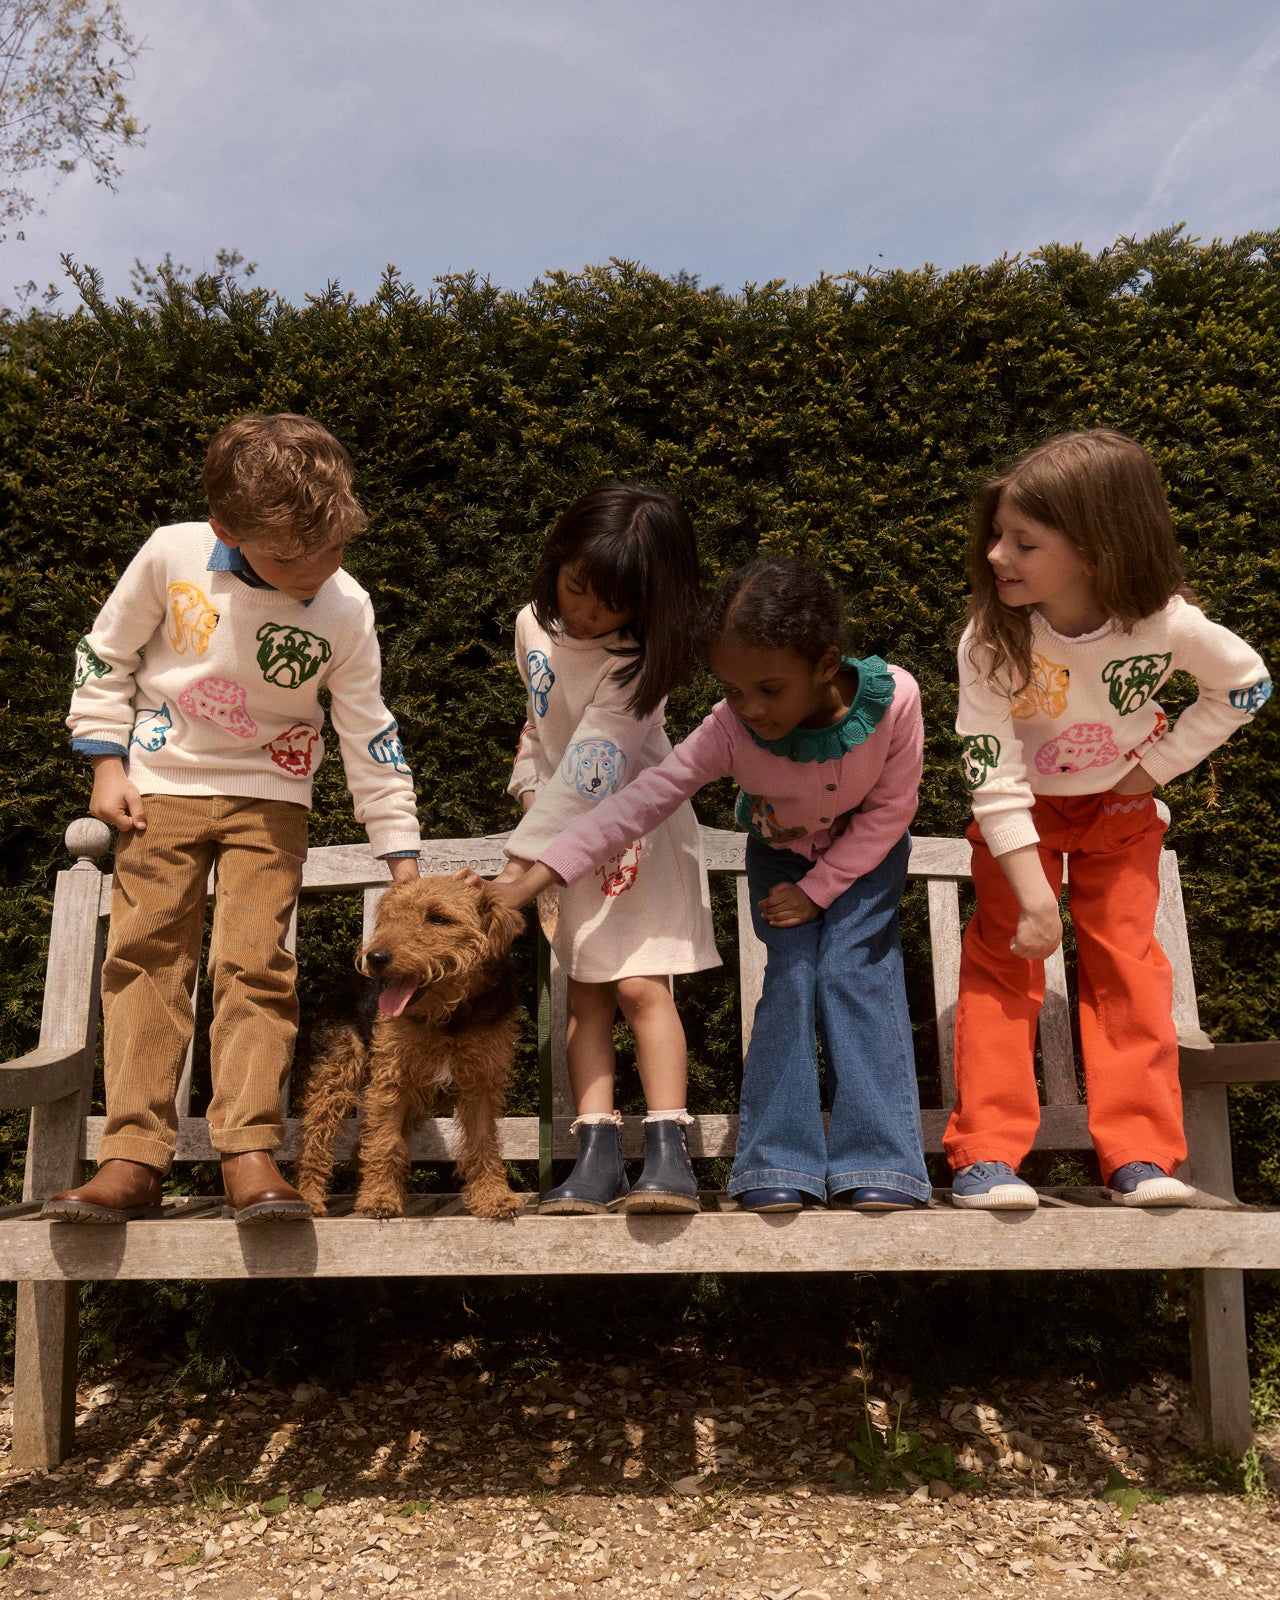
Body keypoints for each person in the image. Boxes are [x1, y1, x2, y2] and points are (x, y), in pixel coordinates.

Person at [45, 414, 423, 1226]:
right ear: (227, 531)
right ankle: (131, 1157)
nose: (315, 572)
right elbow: (104, 655)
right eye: (290, 559)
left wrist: (401, 855)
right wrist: (106, 764)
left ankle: (249, 1151)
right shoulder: (170, 554)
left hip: (272, 800)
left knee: (257, 965)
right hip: (158, 791)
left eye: (333, 549)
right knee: (146, 960)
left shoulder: (347, 608)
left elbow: (369, 732)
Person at [489, 556, 931, 1213]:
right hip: (782, 857)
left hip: (867, 857)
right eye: (732, 688)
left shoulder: (896, 700)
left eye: (769, 689)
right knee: (790, 980)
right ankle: (778, 1160)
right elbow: (635, 804)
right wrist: (532, 877)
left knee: (851, 972)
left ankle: (883, 1162)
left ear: (824, 664)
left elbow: (892, 812)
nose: (751, 708)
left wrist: (821, 888)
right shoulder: (728, 727)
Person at [945, 428, 1270, 1210]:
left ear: (1097, 551)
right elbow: (991, 770)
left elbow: (1247, 685)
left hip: (1119, 814)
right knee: (1004, 966)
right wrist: (1033, 899)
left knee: (1127, 967)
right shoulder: (992, 636)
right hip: (1020, 816)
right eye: (997, 534)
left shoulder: (1168, 626)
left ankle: (1140, 1158)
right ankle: (985, 1156)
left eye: (1024, 542)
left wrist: (1148, 772)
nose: (996, 554)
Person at [489, 484, 721, 1216]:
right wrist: (527, 789)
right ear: (556, 560)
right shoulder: (532, 623)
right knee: (585, 994)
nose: (587, 613)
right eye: (576, 587)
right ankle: (594, 1158)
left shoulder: (636, 662)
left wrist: (520, 869)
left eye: (612, 604)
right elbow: (542, 727)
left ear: (651, 603)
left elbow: (595, 764)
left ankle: (668, 1154)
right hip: (554, 838)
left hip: (635, 837)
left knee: (641, 987)